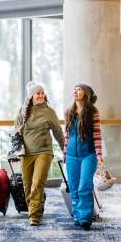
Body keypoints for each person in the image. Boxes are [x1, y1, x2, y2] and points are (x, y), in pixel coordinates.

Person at [14, 81, 64, 226]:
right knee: (27, 185)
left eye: (42, 93)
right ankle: (36, 206)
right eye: (38, 93)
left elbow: (58, 133)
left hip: (44, 151)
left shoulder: (49, 111)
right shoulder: (22, 111)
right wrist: (14, 150)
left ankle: (34, 216)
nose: (41, 95)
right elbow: (16, 132)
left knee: (37, 184)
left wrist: (64, 150)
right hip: (26, 153)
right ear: (31, 96)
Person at [63, 83, 103, 230]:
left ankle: (86, 217)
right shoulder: (69, 111)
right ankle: (77, 215)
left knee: (84, 186)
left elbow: (97, 134)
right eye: (74, 89)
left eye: (79, 89)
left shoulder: (92, 112)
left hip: (88, 155)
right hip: (72, 156)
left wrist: (99, 154)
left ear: (85, 93)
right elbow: (67, 135)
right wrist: (65, 154)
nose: (75, 91)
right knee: (74, 187)